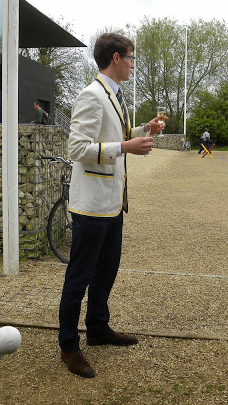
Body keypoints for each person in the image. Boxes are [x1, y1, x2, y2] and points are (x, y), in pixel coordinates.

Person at [58, 32, 164, 378]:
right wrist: (125, 148)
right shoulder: (91, 95)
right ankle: (69, 345)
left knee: (106, 271)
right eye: (131, 58)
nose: (133, 65)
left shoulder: (114, 96)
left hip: (112, 203)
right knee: (79, 276)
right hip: (91, 205)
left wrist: (144, 130)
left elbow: (116, 136)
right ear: (116, 58)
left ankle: (98, 328)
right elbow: (77, 149)